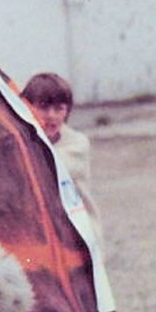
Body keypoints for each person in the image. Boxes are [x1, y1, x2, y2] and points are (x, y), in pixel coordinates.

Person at [21, 71, 99, 220]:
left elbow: (46, 168)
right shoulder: (22, 141)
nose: (51, 115)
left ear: (67, 111)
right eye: (43, 107)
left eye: (59, 109)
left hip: (75, 223)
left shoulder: (77, 144)